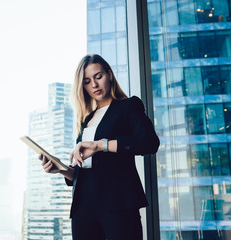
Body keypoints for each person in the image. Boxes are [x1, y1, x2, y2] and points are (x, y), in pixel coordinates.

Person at [39, 54, 159, 240]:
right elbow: (84, 171)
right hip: (83, 208)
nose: (94, 85)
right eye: (87, 81)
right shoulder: (86, 120)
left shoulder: (128, 106)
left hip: (118, 204)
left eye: (98, 76)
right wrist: (61, 169)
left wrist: (101, 145)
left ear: (109, 75)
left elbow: (149, 142)